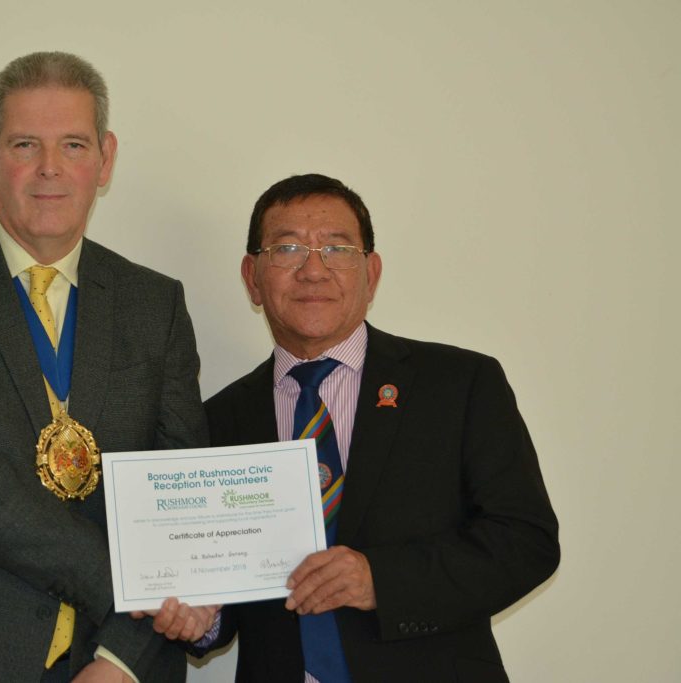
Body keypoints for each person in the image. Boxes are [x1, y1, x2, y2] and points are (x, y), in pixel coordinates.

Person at [0, 51, 212, 683]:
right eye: (25, 144)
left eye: (73, 145)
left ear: (105, 159)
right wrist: (126, 586)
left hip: (120, 661)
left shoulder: (154, 303)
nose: (50, 167)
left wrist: (121, 658)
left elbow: (180, 488)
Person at [194, 173, 560, 682]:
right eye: (288, 248)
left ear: (372, 272)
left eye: (337, 249)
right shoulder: (217, 420)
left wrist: (380, 581)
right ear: (252, 277)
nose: (313, 270)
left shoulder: (459, 383)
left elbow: (526, 542)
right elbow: (225, 589)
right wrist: (202, 619)